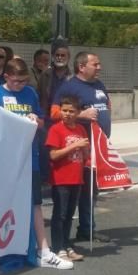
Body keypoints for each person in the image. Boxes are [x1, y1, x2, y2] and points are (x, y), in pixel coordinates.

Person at [0, 58, 73, 270]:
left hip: (30, 158)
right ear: (6, 77)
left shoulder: (30, 93)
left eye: (24, 81)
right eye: (16, 81)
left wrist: (36, 121)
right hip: (6, 161)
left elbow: (43, 120)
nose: (20, 85)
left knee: (35, 203)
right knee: (5, 204)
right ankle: (2, 250)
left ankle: (44, 249)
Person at [50, 51, 112, 244]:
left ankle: (87, 228)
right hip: (78, 146)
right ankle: (63, 238)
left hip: (98, 146)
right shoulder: (70, 87)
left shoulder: (99, 85)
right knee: (77, 191)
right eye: (96, 64)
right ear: (82, 67)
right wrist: (81, 116)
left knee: (92, 190)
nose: (99, 67)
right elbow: (54, 113)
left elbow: (107, 106)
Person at [47, 95, 89, 262]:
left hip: (76, 178)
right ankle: (58, 247)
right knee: (60, 214)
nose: (67, 114)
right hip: (61, 179)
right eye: (64, 111)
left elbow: (85, 154)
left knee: (70, 214)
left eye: (71, 111)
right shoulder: (56, 129)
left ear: (78, 112)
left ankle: (67, 244)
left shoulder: (80, 129)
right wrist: (74, 146)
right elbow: (53, 155)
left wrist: (86, 151)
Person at [39, 40, 72, 113]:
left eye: (63, 55)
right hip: (46, 117)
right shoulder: (45, 74)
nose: (59, 58)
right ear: (53, 56)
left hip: (65, 117)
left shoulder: (73, 78)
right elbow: (39, 95)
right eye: (57, 55)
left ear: (68, 57)